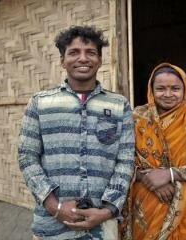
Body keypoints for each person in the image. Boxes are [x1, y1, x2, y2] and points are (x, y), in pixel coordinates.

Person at [18, 25, 135, 240]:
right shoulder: (40, 103)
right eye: (74, 52)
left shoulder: (119, 105)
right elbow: (27, 157)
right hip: (51, 225)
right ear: (62, 60)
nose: (83, 58)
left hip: (102, 225)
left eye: (90, 52)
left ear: (100, 60)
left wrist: (106, 211)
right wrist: (56, 207)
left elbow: (125, 160)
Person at [120, 63, 186, 240]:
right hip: (145, 202)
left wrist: (170, 174)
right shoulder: (136, 119)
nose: (168, 94)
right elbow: (122, 159)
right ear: (151, 90)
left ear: (185, 89)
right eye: (161, 88)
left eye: (175, 88)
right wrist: (148, 178)